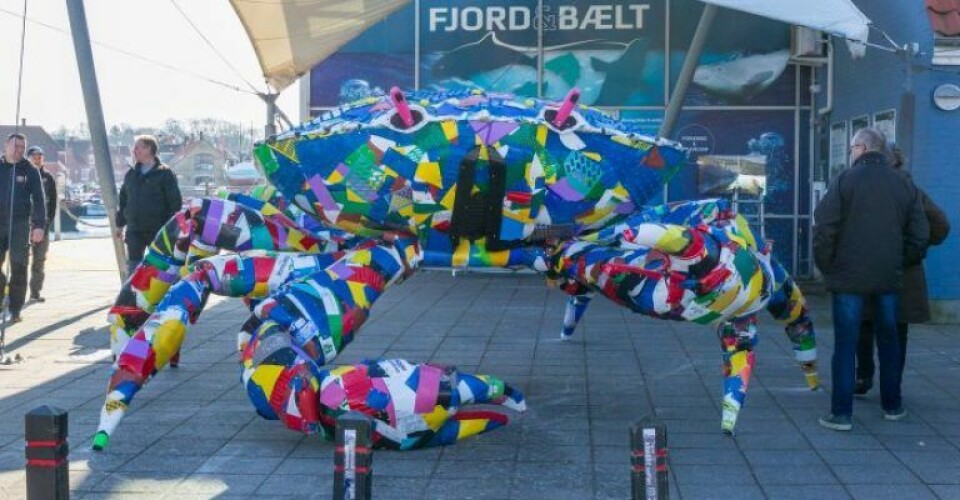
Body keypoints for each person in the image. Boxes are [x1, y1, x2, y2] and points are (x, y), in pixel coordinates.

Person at [813, 128, 929, 431]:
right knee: (889, 341)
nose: (851, 152)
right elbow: (920, 234)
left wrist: (828, 267)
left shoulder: (844, 181)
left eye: (852, 147)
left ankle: (841, 414)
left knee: (845, 345)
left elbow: (824, 227)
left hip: (848, 278)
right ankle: (892, 405)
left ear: (862, 148)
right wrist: (898, 263)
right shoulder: (903, 183)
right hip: (889, 278)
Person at [854, 145, 951, 396]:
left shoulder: (867, 192)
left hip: (871, 272)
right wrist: (912, 251)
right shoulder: (912, 191)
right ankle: (891, 384)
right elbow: (940, 225)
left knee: (865, 325)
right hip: (902, 277)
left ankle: (864, 376)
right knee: (896, 332)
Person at [115, 135, 182, 276]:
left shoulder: (165, 173)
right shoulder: (131, 175)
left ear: (149, 149)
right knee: (134, 265)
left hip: (158, 229)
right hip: (134, 229)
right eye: (135, 148)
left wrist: (171, 228)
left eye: (138, 147)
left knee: (158, 265)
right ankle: (133, 294)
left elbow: (175, 203)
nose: (134, 151)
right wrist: (119, 225)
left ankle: (158, 294)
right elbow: (123, 201)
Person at [0, 134, 47, 324]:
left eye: (22, 147)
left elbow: (39, 200)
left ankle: (15, 308)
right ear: (6, 145)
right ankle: (3, 291)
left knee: (19, 266)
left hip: (20, 224)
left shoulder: (30, 170)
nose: (19, 150)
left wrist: (39, 226)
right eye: (16, 145)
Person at [26, 146, 57, 303]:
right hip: (24, 225)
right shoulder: (22, 174)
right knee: (19, 260)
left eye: (40, 156)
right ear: (29, 158)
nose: (37, 159)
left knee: (39, 260)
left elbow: (53, 203)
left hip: (42, 225)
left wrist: (47, 222)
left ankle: (35, 292)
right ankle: (13, 295)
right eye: (34, 156)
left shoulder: (48, 178)